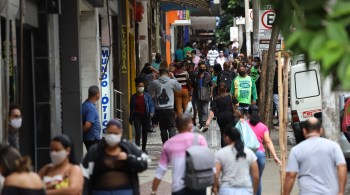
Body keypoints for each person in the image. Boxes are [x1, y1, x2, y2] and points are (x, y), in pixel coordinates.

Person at [82, 119, 149, 195]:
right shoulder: (95, 150)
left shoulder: (129, 147)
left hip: (125, 191)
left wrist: (128, 158)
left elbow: (145, 162)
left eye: (115, 133)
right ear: (106, 131)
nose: (112, 136)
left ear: (121, 133)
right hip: (100, 191)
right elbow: (85, 173)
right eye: (110, 133)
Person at [284, 117, 347, 195]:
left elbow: (290, 175)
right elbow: (342, 167)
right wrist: (341, 191)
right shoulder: (333, 146)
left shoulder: (297, 150)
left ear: (304, 131)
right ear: (320, 131)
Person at [151, 114, 208, 195]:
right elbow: (207, 162)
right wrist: (215, 185)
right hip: (199, 185)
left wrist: (153, 190)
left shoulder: (169, 144)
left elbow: (161, 169)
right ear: (190, 125)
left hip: (178, 188)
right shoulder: (200, 139)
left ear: (176, 127)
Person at [213, 126, 259, 195]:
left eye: (224, 137)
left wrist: (215, 187)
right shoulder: (250, 153)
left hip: (226, 190)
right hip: (246, 190)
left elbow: (216, 174)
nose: (223, 139)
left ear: (228, 137)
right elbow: (256, 177)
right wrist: (254, 192)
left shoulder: (220, 153)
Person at [247, 105, 281, 195]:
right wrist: (275, 156)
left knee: (249, 178)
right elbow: (268, 142)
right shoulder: (263, 127)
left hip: (247, 155)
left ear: (248, 114)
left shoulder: (244, 125)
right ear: (258, 113)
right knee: (257, 178)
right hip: (260, 155)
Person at [148, 68, 182, 143]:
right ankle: (172, 144)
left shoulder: (155, 82)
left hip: (159, 109)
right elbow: (179, 88)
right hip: (170, 108)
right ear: (168, 73)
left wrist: (153, 80)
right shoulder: (172, 81)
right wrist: (173, 77)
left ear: (159, 74)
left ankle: (166, 145)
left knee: (163, 128)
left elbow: (149, 93)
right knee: (171, 127)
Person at [206, 82, 239, 147]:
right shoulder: (230, 95)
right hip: (230, 117)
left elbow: (212, 109)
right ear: (226, 88)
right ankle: (231, 147)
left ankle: (224, 148)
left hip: (221, 118)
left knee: (223, 133)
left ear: (218, 89)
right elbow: (237, 103)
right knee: (230, 132)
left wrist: (208, 120)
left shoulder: (216, 98)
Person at [129, 78, 155, 152]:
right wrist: (131, 118)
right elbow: (131, 108)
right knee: (138, 133)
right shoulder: (133, 97)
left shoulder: (147, 96)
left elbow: (151, 105)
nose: (141, 88)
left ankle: (143, 149)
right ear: (136, 87)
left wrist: (151, 113)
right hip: (137, 116)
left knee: (144, 133)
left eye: (142, 86)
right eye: (139, 86)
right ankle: (137, 149)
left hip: (145, 116)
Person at [192, 62, 213, 132]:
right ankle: (201, 124)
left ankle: (204, 125)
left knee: (204, 110)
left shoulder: (208, 75)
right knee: (199, 110)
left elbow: (211, 85)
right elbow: (193, 85)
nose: (202, 68)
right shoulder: (195, 75)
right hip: (197, 94)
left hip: (205, 94)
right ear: (199, 67)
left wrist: (211, 93)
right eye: (201, 67)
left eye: (204, 67)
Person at [82, 85, 101, 150]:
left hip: (89, 138)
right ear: (97, 95)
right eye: (99, 93)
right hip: (93, 138)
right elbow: (88, 125)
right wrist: (81, 133)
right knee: (96, 157)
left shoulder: (84, 105)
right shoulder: (91, 108)